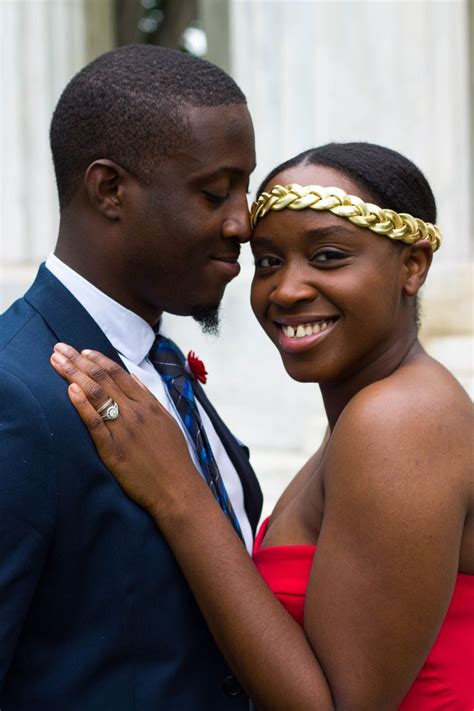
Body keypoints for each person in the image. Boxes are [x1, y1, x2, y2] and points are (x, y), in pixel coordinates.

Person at [51, 142, 473, 710]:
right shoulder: (363, 414)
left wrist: (178, 491)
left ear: (412, 266)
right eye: (269, 262)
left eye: (327, 256)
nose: (287, 290)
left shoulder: (401, 420)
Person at [0, 44, 262, 709]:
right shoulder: (17, 392)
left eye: (245, 189)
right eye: (215, 191)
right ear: (110, 189)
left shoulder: (159, 368)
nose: (243, 222)